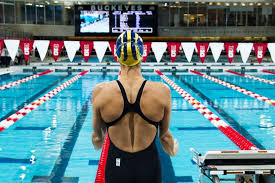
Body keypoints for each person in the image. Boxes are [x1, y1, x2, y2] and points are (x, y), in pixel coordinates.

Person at [92, 30, 178, 183]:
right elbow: (164, 137)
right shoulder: (162, 91)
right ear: (142, 55)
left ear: (117, 56)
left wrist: (100, 138)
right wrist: (173, 149)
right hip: (149, 166)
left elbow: (97, 140)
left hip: (116, 165)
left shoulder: (101, 92)